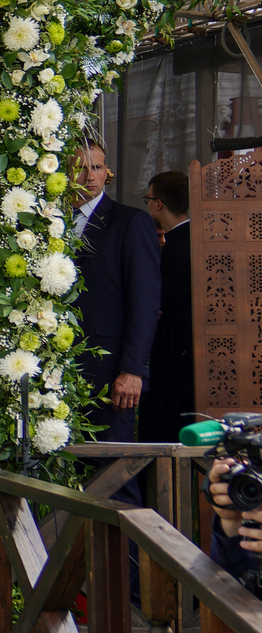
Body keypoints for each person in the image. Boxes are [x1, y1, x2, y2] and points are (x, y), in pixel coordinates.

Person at [72, 141, 160, 482]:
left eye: (97, 167)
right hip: (60, 369)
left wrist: (133, 369)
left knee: (112, 477)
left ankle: (128, 538)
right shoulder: (49, 223)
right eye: (81, 167)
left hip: (109, 372)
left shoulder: (130, 221)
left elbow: (145, 302)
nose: (90, 176)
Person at [139, 169, 194, 444]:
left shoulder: (178, 246)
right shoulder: (193, 240)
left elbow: (160, 300)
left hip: (175, 356)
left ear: (158, 203)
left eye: (147, 199)